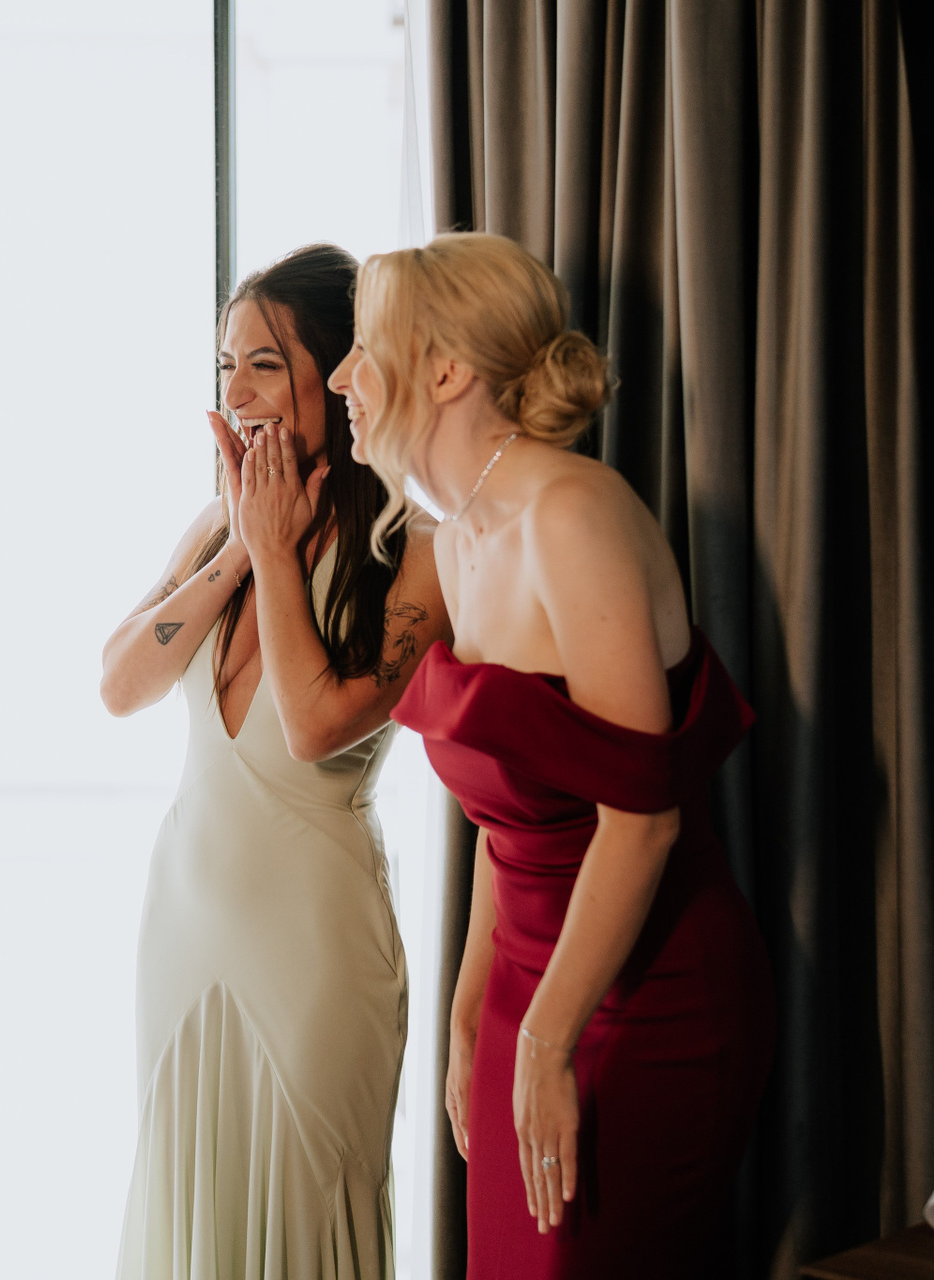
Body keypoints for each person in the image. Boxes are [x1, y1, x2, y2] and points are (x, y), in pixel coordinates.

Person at [347, 233, 775, 1277]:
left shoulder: (572, 514)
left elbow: (644, 818)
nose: (343, 375)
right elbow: (507, 824)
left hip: (649, 994)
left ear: (447, 371)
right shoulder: (459, 539)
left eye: (365, 345)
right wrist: (470, 1012)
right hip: (525, 993)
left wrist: (546, 1038)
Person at [102, 243, 452, 1280]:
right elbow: (120, 684)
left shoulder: (417, 548)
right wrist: (240, 548)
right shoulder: (216, 532)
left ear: (340, 371)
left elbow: (313, 725)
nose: (238, 392)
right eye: (226, 366)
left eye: (264, 362)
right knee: (192, 1216)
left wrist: (278, 553)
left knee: (306, 1220)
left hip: (315, 950)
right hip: (182, 932)